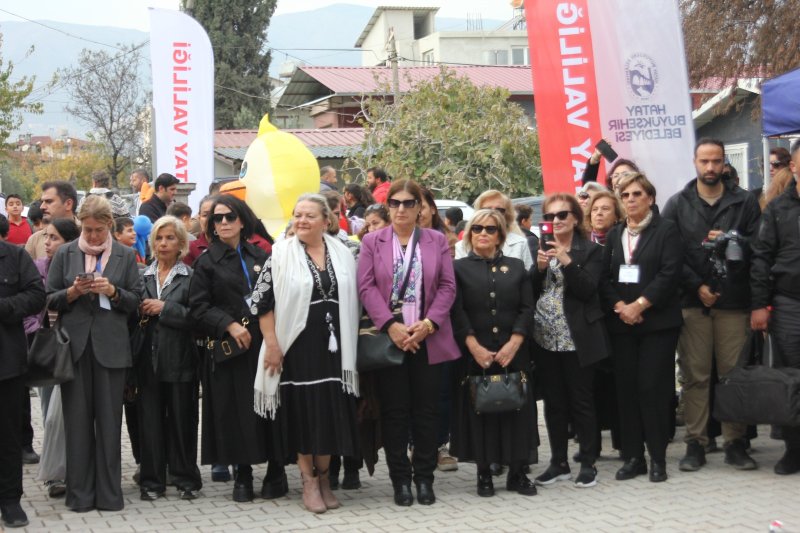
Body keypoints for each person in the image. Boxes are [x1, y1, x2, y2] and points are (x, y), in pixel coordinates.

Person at [253, 194, 360, 513]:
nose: (301, 220)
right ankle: (308, 481)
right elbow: (261, 304)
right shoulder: (280, 254)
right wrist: (272, 345)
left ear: (326, 221)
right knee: (302, 415)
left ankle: (325, 478)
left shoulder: (344, 253)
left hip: (334, 349)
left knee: (328, 414)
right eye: (297, 214)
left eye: (309, 216)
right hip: (295, 347)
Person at [661, 138, 762, 472]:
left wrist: (733, 241)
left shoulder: (744, 201)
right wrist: (698, 285)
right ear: (694, 162)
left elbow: (758, 247)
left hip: (734, 301)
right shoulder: (678, 204)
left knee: (732, 375)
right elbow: (670, 255)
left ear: (723, 163)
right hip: (693, 302)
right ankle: (696, 443)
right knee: (695, 376)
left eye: (716, 161)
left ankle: (735, 442)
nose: (710, 168)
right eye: (704, 161)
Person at [357, 179, 460, 506]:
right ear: (388, 208)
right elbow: (366, 287)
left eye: (408, 203)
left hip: (428, 336)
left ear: (420, 207)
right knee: (395, 412)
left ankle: (424, 478)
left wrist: (429, 324)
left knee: (427, 412)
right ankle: (400, 480)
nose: (401, 209)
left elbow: (447, 287)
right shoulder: (373, 241)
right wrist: (390, 326)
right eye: (395, 203)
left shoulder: (435, 240)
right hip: (391, 339)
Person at [46, 194, 144, 512]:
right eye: (87, 230)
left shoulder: (126, 256)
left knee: (109, 423)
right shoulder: (64, 253)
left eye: (98, 230)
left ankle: (109, 494)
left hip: (112, 350)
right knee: (77, 424)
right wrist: (72, 292)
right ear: (80, 226)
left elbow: (136, 302)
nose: (92, 236)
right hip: (73, 350)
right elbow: (48, 298)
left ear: (109, 226)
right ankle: (80, 495)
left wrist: (113, 292)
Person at [188, 195, 286, 502]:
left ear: (242, 220)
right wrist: (229, 324)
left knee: (270, 405)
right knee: (236, 412)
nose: (224, 223)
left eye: (230, 217)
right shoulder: (206, 262)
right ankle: (242, 474)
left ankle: (276, 470)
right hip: (230, 346)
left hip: (264, 341)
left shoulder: (261, 255)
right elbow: (197, 308)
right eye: (217, 219)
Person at [599, 172, 683, 483]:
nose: (631, 199)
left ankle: (657, 457)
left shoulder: (667, 230)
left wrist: (640, 305)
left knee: (651, 389)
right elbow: (604, 278)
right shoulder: (614, 234)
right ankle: (633, 457)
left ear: (650, 198)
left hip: (657, 323)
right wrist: (621, 307)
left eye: (637, 194)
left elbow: (670, 273)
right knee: (627, 391)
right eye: (626, 195)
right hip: (622, 324)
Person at [450, 209, 536, 497]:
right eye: (477, 229)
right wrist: (473, 346)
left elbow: (527, 308)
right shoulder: (459, 268)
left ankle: (517, 473)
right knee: (482, 412)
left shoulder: (516, 266)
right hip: (477, 353)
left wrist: (515, 342)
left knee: (517, 411)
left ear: (500, 235)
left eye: (489, 229)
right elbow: (456, 311)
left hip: (514, 353)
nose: (483, 234)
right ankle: (484, 473)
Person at [531, 194, 608, 489]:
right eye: (550, 216)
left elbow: (589, 290)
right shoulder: (539, 247)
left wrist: (566, 260)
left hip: (577, 338)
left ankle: (588, 462)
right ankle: (558, 462)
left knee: (582, 401)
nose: (556, 221)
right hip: (546, 337)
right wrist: (537, 270)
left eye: (563, 215)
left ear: (576, 218)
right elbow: (531, 290)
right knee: (553, 402)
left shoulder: (590, 251)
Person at [136, 216, 202, 501]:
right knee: (149, 423)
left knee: (182, 421)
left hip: (180, 359)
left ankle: (186, 478)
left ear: (181, 243)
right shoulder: (142, 276)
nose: (164, 243)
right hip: (147, 361)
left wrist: (166, 308)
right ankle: (152, 480)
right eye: (159, 238)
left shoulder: (191, 276)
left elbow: (199, 318)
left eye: (170, 238)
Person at [750, 138, 800, 475]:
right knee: (791, 380)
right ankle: (794, 450)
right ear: (794, 167)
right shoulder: (779, 209)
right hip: (790, 305)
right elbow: (761, 259)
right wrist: (759, 306)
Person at [23, 218, 79, 499]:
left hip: (77, 348)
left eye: (54, 238)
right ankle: (55, 474)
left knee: (75, 414)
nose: (47, 243)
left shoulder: (79, 267)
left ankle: (77, 469)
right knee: (51, 416)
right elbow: (31, 308)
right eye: (46, 237)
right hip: (47, 350)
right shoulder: (38, 268)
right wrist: (39, 329)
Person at [0, 218, 46, 529]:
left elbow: (35, 295)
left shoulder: (15, 256)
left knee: (8, 436)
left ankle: (10, 500)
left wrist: (3, 307)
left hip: (6, 363)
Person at [455, 190, 534, 271]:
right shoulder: (462, 246)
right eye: (486, 209)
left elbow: (527, 276)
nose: (493, 214)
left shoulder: (520, 243)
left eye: (499, 210)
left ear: (507, 215)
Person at [26, 182, 79, 261]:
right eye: (42, 202)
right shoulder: (34, 240)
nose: (42, 207)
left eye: (49, 201)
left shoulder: (88, 233)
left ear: (68, 204)